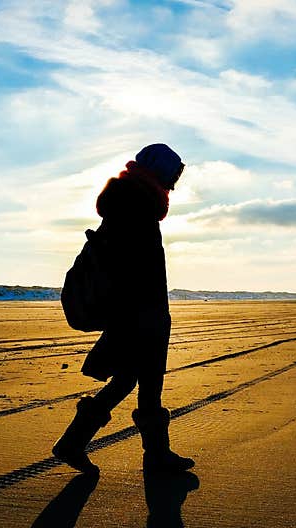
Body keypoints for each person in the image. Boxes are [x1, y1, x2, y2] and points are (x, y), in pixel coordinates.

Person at [52, 144, 195, 475]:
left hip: (136, 314)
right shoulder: (138, 207)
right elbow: (135, 271)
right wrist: (149, 316)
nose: (174, 182)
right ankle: (155, 457)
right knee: (145, 385)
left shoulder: (130, 202)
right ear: (158, 170)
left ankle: (74, 443)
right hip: (140, 315)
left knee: (129, 381)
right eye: (172, 174)